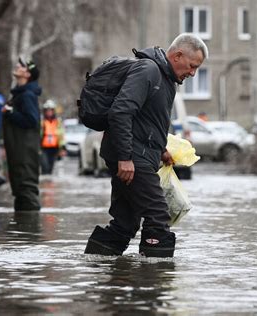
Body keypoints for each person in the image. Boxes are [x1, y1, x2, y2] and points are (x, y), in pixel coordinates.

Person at [84, 33, 208, 258]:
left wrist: (161, 150)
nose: (193, 72)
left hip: (139, 156)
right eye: (192, 66)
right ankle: (153, 283)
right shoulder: (148, 71)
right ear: (178, 55)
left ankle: (100, 267)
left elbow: (147, 121)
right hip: (132, 158)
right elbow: (120, 112)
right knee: (158, 216)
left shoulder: (167, 79)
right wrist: (125, 157)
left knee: (126, 222)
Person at [2, 57, 42, 211]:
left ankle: (30, 230)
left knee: (26, 189)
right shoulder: (21, 94)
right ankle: (23, 230)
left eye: (22, 66)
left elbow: (31, 120)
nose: (17, 66)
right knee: (20, 190)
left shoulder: (27, 95)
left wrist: (10, 112)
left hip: (25, 152)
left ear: (27, 74)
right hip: (19, 151)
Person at [40, 99, 65, 175]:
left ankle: (48, 184)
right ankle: (45, 183)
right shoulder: (42, 122)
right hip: (43, 148)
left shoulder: (58, 122)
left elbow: (61, 135)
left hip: (54, 148)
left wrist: (62, 148)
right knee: (45, 166)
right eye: (47, 111)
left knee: (50, 168)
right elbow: (39, 134)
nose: (49, 112)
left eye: (50, 110)